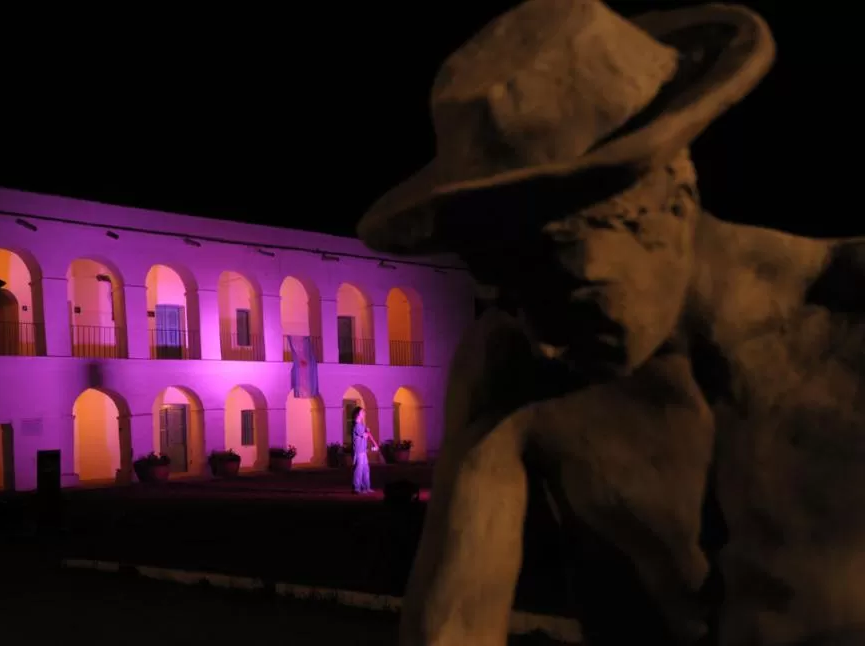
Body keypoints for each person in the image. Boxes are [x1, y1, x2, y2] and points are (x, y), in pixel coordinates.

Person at [357, 1, 865, 645]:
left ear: (670, 197)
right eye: (510, 294)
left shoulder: (846, 316)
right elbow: (453, 629)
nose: (542, 336)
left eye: (568, 291)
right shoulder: (513, 371)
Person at [350, 406, 379, 494]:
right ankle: (357, 488)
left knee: (365, 469)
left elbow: (367, 434)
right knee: (359, 470)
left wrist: (375, 443)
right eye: (363, 412)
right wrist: (367, 432)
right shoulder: (357, 425)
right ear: (358, 414)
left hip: (363, 451)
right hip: (358, 451)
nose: (364, 413)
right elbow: (366, 435)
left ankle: (366, 487)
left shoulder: (361, 425)